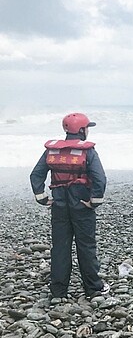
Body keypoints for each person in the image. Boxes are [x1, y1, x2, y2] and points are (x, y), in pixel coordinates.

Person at [30, 113, 109, 299]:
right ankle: (93, 289)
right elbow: (100, 178)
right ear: (81, 130)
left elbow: (36, 175)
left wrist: (42, 197)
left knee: (60, 247)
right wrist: (94, 201)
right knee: (86, 246)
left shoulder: (52, 151)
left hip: (59, 205)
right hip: (82, 205)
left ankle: (58, 291)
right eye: (87, 127)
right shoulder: (88, 151)